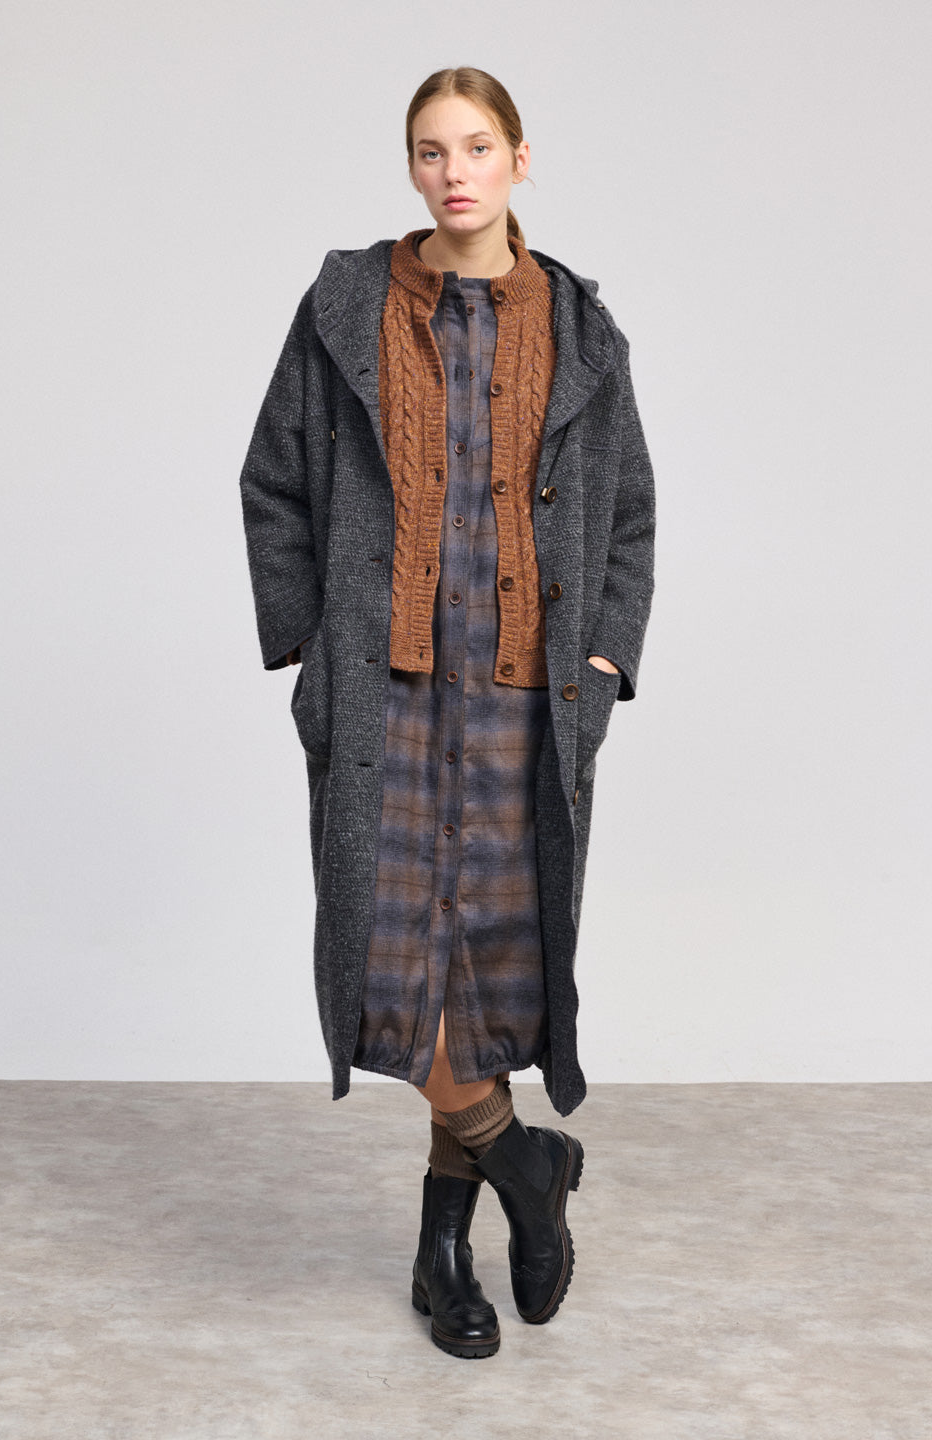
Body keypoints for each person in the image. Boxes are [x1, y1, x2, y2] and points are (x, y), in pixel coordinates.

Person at [239, 66, 656, 1359]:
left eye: (477, 147)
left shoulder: (582, 330)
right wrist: (309, 642)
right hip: (388, 689)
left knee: (479, 979)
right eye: (431, 150)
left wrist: (603, 662)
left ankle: (440, 1259)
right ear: (411, 166)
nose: (453, 172)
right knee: (393, 971)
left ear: (520, 160)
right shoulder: (347, 308)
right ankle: (526, 1165)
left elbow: (631, 515)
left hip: (528, 699)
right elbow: (272, 481)